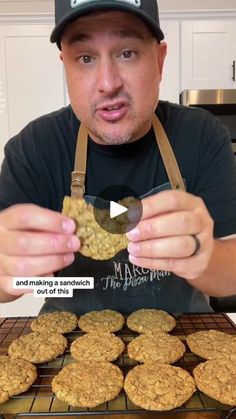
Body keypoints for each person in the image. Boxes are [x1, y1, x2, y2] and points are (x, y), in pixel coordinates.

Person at [0, 0, 236, 314]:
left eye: (127, 53)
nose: (108, 83)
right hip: (70, 350)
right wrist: (6, 274)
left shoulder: (202, 135)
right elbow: (4, 287)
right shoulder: (34, 148)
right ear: (65, 66)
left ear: (159, 60)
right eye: (85, 58)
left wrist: (206, 258)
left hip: (182, 343)